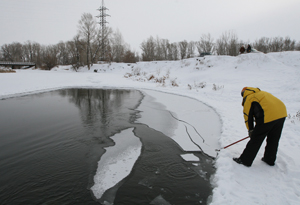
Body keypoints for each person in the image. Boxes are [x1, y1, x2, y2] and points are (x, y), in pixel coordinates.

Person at [233, 87, 287, 167]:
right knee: (273, 138)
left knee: (256, 139)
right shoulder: (262, 93)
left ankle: (245, 160)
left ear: (244, 93)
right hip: (282, 114)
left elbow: (248, 116)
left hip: (268, 117)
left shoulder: (249, 98)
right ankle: (269, 159)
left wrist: (251, 130)